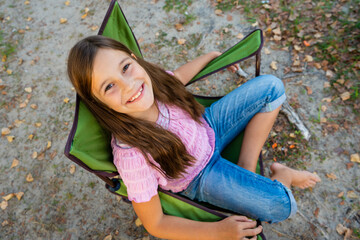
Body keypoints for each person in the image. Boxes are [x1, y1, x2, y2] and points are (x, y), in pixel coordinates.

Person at [67, 35, 321, 240]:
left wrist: (209, 57)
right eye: (108, 86)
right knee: (283, 206)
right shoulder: (131, 154)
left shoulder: (153, 83)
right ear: (96, 102)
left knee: (272, 87)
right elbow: (155, 223)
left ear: (135, 59)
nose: (128, 85)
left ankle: (245, 165)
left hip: (209, 125)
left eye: (125, 67)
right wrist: (217, 232)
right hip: (200, 176)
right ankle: (283, 175)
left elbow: (177, 77)